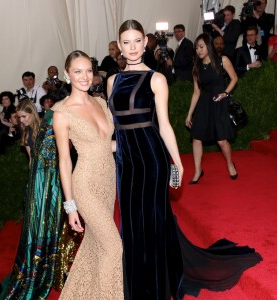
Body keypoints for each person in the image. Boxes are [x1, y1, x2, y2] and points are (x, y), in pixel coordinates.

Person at [108, 19, 262, 300]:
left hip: (151, 157)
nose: (132, 47)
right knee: (130, 222)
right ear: (119, 46)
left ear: (146, 42)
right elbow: (113, 125)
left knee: (153, 220)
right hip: (125, 162)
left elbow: (164, 125)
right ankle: (134, 283)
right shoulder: (111, 81)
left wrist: (177, 162)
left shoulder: (155, 79)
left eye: (137, 41)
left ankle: (157, 283)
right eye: (126, 42)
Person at [53, 50, 123, 300]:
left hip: (108, 180)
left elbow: (108, 145)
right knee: (115, 248)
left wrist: (142, 144)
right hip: (85, 184)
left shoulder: (101, 102)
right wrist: (70, 206)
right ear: (67, 75)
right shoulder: (61, 113)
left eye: (88, 71)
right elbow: (63, 161)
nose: (84, 77)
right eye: (78, 71)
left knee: (97, 245)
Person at [0, 100, 82, 299]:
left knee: (56, 220)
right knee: (36, 224)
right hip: (38, 181)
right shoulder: (26, 133)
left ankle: (55, 264)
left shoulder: (52, 124)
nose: (22, 121)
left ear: (32, 113)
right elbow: (31, 161)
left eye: (24, 117)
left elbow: (66, 149)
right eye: (19, 118)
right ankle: (37, 264)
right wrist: (31, 186)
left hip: (55, 178)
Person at [186, 33, 239, 183]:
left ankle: (230, 163)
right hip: (204, 104)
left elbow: (234, 78)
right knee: (196, 138)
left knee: (222, 140)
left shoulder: (222, 60)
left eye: (201, 47)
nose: (199, 50)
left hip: (219, 103)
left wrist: (225, 94)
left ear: (208, 46)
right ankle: (198, 171)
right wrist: (189, 114)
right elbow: (196, 93)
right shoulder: (196, 67)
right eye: (196, 48)